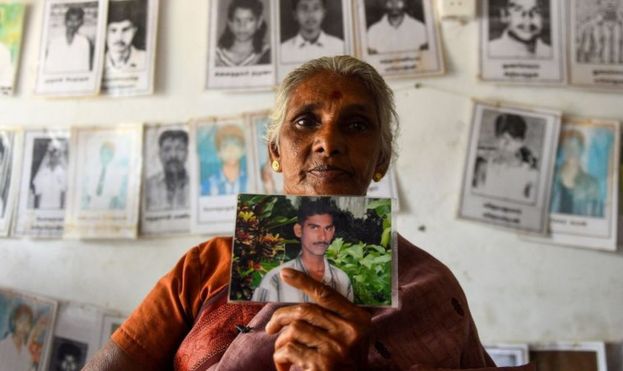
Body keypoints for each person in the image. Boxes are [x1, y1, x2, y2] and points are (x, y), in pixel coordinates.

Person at [84, 56, 533, 370]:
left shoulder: (429, 286)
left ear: (381, 159)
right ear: (276, 152)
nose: (328, 142)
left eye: (356, 126)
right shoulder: (206, 268)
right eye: (305, 122)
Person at [252, 198, 353, 302]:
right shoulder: (274, 280)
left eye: (328, 229)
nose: (323, 237)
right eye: (314, 228)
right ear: (299, 230)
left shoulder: (343, 280)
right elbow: (256, 317)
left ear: (333, 231)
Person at [473, 113, 539, 202]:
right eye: (503, 138)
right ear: (496, 139)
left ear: (521, 143)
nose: (507, 144)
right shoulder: (484, 167)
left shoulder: (530, 173)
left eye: (514, 139)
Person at [550, 129, 603, 217]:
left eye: (575, 147)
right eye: (566, 147)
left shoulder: (592, 185)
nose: (571, 151)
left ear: (582, 150)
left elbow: (595, 217)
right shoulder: (552, 178)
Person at [576, 0, 623, 64]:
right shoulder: (589, 27)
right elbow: (583, 56)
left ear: (618, 1)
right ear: (599, 2)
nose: (610, 2)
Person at [280, 0, 344, 64]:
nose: (310, 15)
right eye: (304, 8)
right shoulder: (282, 51)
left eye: (316, 8)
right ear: (295, 14)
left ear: (324, 13)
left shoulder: (340, 47)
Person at [215, 0, 270, 67]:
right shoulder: (216, 55)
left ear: (259, 22)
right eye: (237, 20)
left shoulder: (267, 54)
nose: (242, 26)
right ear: (230, 22)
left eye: (249, 20)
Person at [145, 130, 189, 211]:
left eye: (179, 149)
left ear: (187, 153)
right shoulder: (148, 187)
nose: (173, 155)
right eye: (167, 149)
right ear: (159, 154)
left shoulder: (197, 185)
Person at [200, 125, 248, 196]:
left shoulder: (250, 183)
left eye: (236, 144)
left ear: (243, 150)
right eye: (225, 146)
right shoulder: (206, 187)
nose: (231, 150)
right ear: (218, 153)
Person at [45, 6, 93, 73]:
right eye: (70, 20)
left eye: (76, 20)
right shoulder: (55, 42)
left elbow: (85, 67)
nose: (73, 24)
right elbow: (49, 68)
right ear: (65, 21)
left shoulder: (84, 42)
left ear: (80, 23)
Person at [82, 141, 128, 210]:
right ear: (100, 153)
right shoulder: (93, 168)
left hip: (107, 202)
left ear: (112, 156)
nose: (106, 156)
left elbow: (115, 195)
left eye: (109, 154)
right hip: (92, 202)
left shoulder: (116, 172)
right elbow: (88, 188)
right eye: (104, 153)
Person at [105, 1, 146, 72]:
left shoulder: (146, 59)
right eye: (113, 30)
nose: (119, 37)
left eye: (125, 30)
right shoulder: (95, 62)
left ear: (134, 30)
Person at [32, 139, 67, 210]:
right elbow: (37, 194)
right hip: (43, 208)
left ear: (60, 156)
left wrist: (60, 211)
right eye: (52, 155)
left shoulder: (63, 173)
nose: (54, 158)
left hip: (57, 210)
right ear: (49, 155)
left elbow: (63, 195)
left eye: (57, 155)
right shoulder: (42, 172)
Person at [0, 304, 34, 371]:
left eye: (27, 323)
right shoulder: (2, 347)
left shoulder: (27, 355)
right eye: (21, 322)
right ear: (14, 322)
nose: (24, 327)